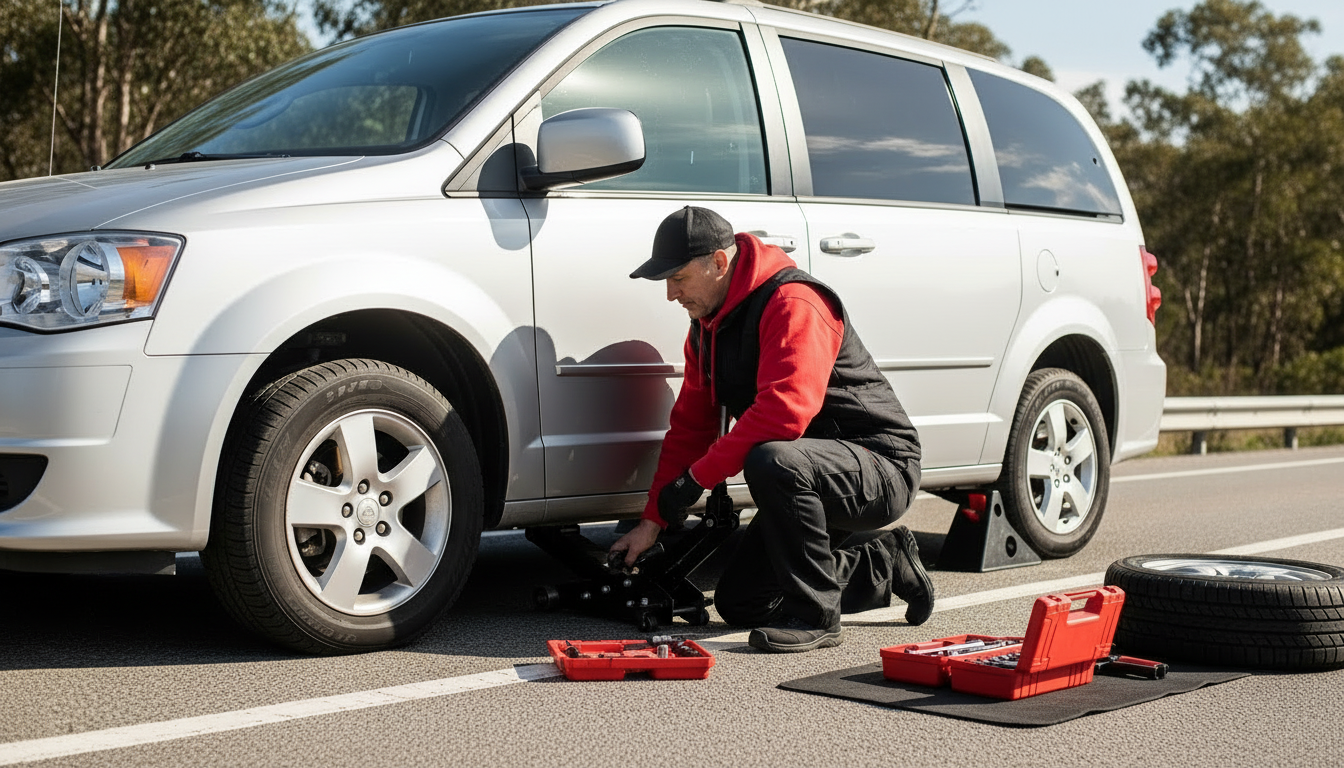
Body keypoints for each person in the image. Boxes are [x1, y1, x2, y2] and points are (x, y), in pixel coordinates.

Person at [610, 206, 934, 653]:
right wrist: (653, 521)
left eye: (678, 278)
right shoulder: (706, 328)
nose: (670, 294)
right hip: (809, 472)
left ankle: (817, 618)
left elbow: (785, 412)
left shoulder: (793, 301)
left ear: (718, 263)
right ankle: (883, 562)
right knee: (743, 602)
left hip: (879, 466)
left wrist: (697, 479)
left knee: (771, 457)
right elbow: (690, 427)